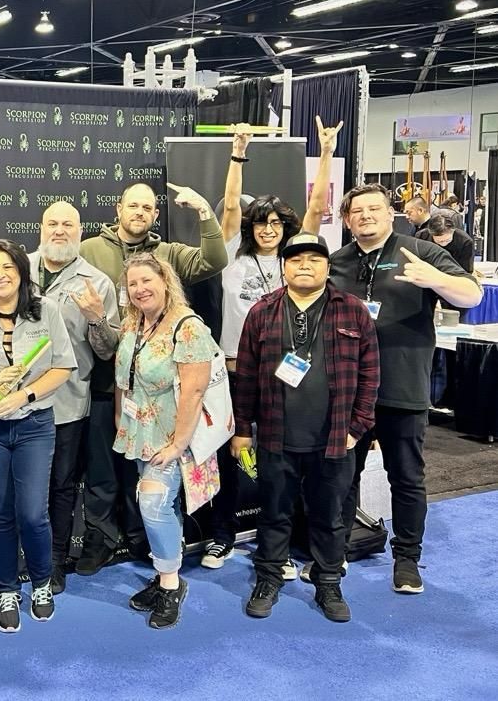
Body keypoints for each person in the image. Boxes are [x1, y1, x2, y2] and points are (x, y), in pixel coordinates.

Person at [302, 183, 482, 593]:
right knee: (341, 476)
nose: (365, 216)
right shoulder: (337, 262)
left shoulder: (420, 251)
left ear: (389, 214)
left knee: (406, 477)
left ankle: (407, 560)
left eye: (374, 209)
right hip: (346, 393)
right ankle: (333, 554)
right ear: (347, 220)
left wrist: (436, 279)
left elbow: (471, 296)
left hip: (402, 385)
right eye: (357, 211)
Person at [202, 117, 342, 575]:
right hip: (234, 372)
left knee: (285, 464)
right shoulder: (232, 254)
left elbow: (318, 208)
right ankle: (222, 535)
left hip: (285, 376)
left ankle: (282, 541)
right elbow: (229, 206)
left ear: (286, 227)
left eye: (276, 223)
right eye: (261, 223)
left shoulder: (296, 258)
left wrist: (326, 153)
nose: (268, 229)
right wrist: (238, 152)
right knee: (228, 455)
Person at [77, 181, 228, 575]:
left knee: (152, 495)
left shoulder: (170, 259)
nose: (140, 289)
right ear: (118, 209)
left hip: (169, 414)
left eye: (147, 207)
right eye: (133, 206)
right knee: (113, 479)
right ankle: (121, 547)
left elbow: (215, 259)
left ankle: (159, 561)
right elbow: (116, 352)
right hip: (118, 400)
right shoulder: (90, 252)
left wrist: (204, 211)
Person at [232, 233, 380, 622]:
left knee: (330, 517)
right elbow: (245, 376)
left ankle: (328, 581)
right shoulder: (262, 312)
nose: (304, 266)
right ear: (284, 267)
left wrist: (357, 427)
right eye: (296, 260)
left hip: (335, 439)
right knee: (273, 513)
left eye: (314, 259)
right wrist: (243, 429)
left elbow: (370, 374)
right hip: (275, 438)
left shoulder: (353, 311)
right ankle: (268, 578)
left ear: (328, 267)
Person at [0, 239, 76, 633]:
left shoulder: (46, 311)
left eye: (7, 267)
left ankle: (41, 584)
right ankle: (7, 589)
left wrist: (23, 394)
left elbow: (62, 367)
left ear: (22, 271)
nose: (0, 275)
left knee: (32, 513)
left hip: (34, 425)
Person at [113, 252, 219, 629]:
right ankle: (164, 576)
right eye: (133, 283)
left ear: (165, 282)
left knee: (154, 504)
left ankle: (171, 585)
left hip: (174, 435)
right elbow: (124, 376)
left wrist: (177, 444)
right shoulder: (133, 323)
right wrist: (121, 419)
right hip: (140, 432)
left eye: (147, 280)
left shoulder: (188, 327)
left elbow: (194, 391)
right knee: (163, 505)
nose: (140, 289)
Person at [29, 201, 120, 593]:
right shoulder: (16, 269)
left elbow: (108, 351)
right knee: (18, 485)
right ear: (41, 228)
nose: (60, 230)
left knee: (61, 486)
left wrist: (97, 318)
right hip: (18, 402)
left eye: (68, 224)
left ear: (80, 232)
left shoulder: (97, 283)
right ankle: (16, 560)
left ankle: (55, 560)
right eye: (53, 223)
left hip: (67, 403)